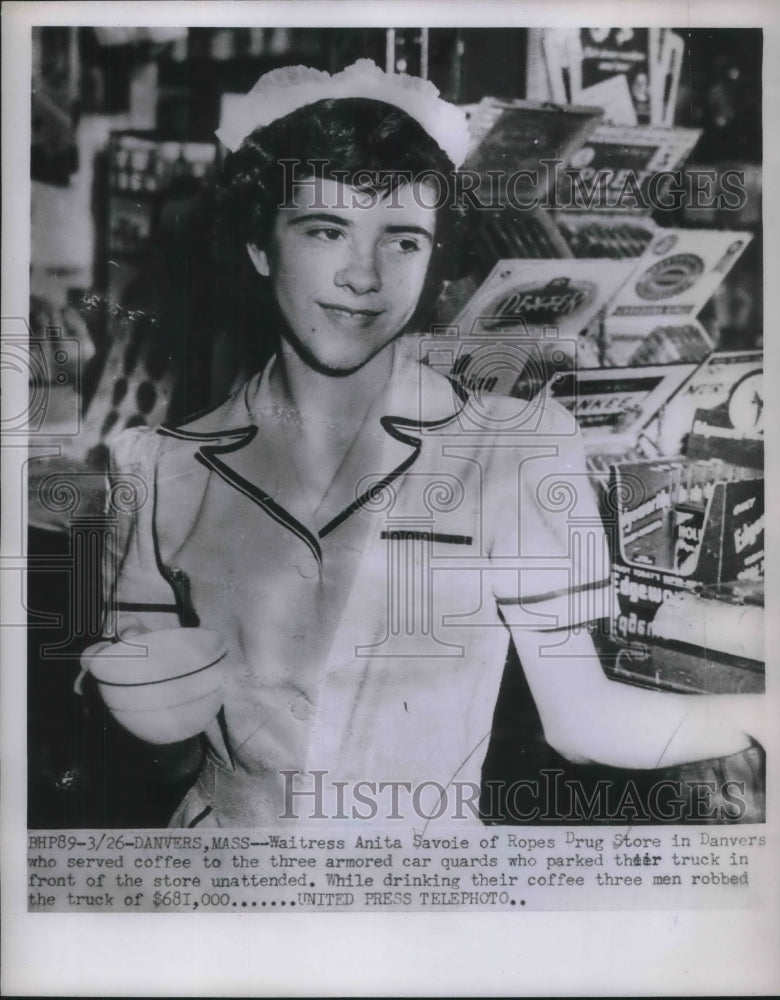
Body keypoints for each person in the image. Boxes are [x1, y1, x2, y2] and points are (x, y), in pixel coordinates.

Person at [82, 60, 765, 828]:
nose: (364, 276)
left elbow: (584, 721)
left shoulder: (520, 451)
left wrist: (762, 719)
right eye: (325, 230)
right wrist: (136, 707)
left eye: (403, 241)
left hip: (415, 893)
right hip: (212, 889)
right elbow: (148, 734)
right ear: (259, 247)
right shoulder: (156, 469)